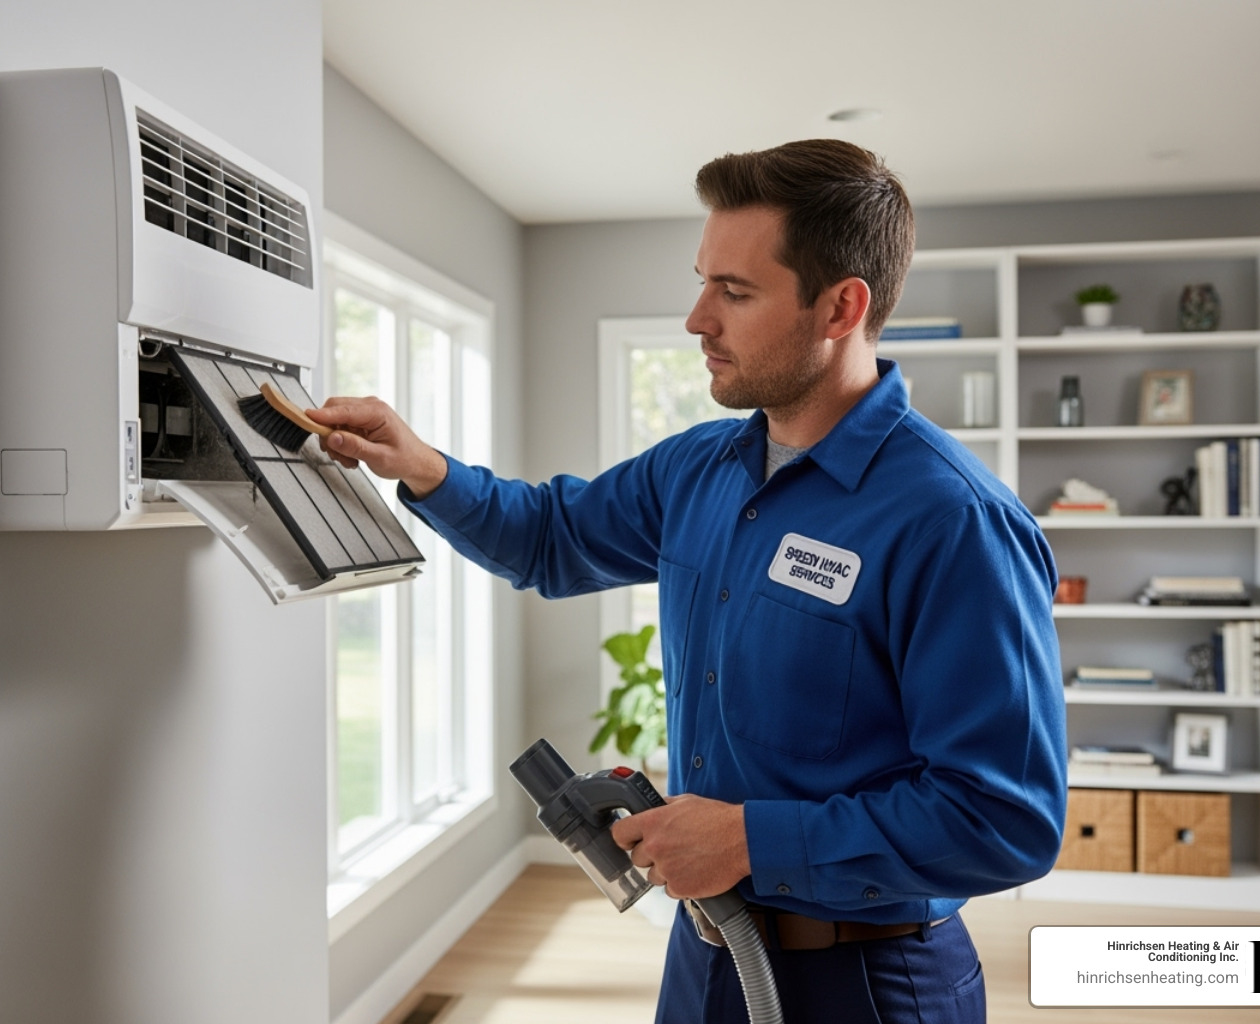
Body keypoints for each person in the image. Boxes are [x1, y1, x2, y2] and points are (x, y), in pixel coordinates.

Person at [309, 139, 1067, 1024]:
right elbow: (553, 537)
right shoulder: (701, 469)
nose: (696, 319)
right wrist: (423, 465)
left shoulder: (954, 520)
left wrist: (749, 839)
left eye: (734, 292)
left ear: (841, 307)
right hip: (706, 959)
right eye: (703, 281)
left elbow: (1003, 819)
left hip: (868, 984)